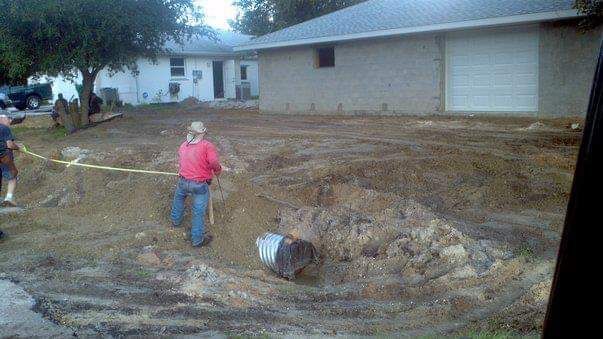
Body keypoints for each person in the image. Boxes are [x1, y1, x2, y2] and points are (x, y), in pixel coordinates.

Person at [171, 121, 224, 247]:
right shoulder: (207, 146)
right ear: (202, 133)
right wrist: (217, 170)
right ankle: (197, 240)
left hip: (183, 181)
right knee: (198, 211)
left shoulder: (183, 145)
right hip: (199, 185)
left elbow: (183, 162)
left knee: (178, 200)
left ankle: (175, 221)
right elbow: (213, 162)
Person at [0, 114, 21, 207]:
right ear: (2, 119)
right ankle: (8, 198)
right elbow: (10, 145)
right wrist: (18, 147)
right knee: (13, 176)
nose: (10, 121)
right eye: (9, 119)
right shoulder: (4, 128)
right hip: (4, 157)